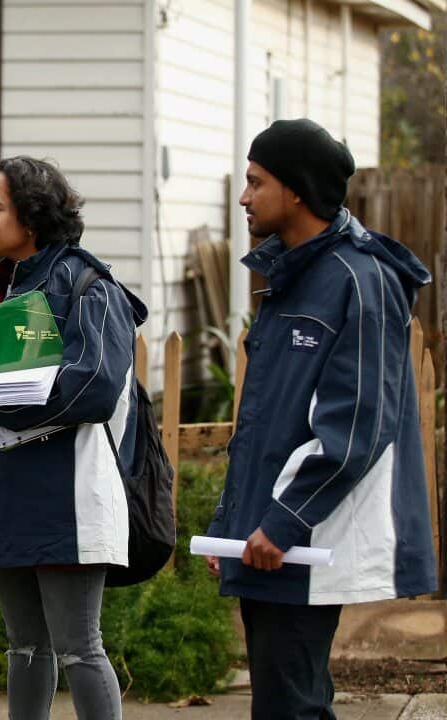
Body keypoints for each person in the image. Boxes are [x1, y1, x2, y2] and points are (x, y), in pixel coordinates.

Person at [205, 119, 437, 720]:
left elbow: (357, 423)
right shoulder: (292, 276)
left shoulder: (360, 279)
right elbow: (264, 422)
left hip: (306, 537)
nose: (244, 196)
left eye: (256, 182)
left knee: (291, 705)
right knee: (286, 702)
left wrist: (282, 522)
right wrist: (232, 524)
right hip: (271, 532)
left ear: (297, 190)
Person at [0, 156, 142, 720]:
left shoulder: (89, 287)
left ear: (32, 218)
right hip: (2, 494)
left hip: (66, 500)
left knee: (79, 647)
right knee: (23, 646)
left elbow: (95, 386)